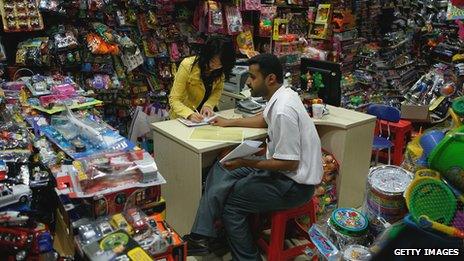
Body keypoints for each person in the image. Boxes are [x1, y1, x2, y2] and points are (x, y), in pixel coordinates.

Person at [183, 53, 323, 260]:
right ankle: (202, 235)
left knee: (231, 203)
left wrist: (245, 161)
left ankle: (247, 257)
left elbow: (288, 163)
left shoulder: (284, 110)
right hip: (285, 173)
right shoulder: (283, 95)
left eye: (252, 76)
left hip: (294, 184)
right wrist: (227, 122)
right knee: (223, 163)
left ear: (270, 79)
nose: (248, 81)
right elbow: (264, 120)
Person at [168, 35, 236, 122]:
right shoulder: (187, 65)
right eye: (212, 62)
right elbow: (174, 99)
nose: (215, 67)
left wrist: (209, 105)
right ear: (206, 55)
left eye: (220, 65)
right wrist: (189, 114)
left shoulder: (221, 70)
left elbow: (217, 90)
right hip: (182, 117)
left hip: (205, 118)